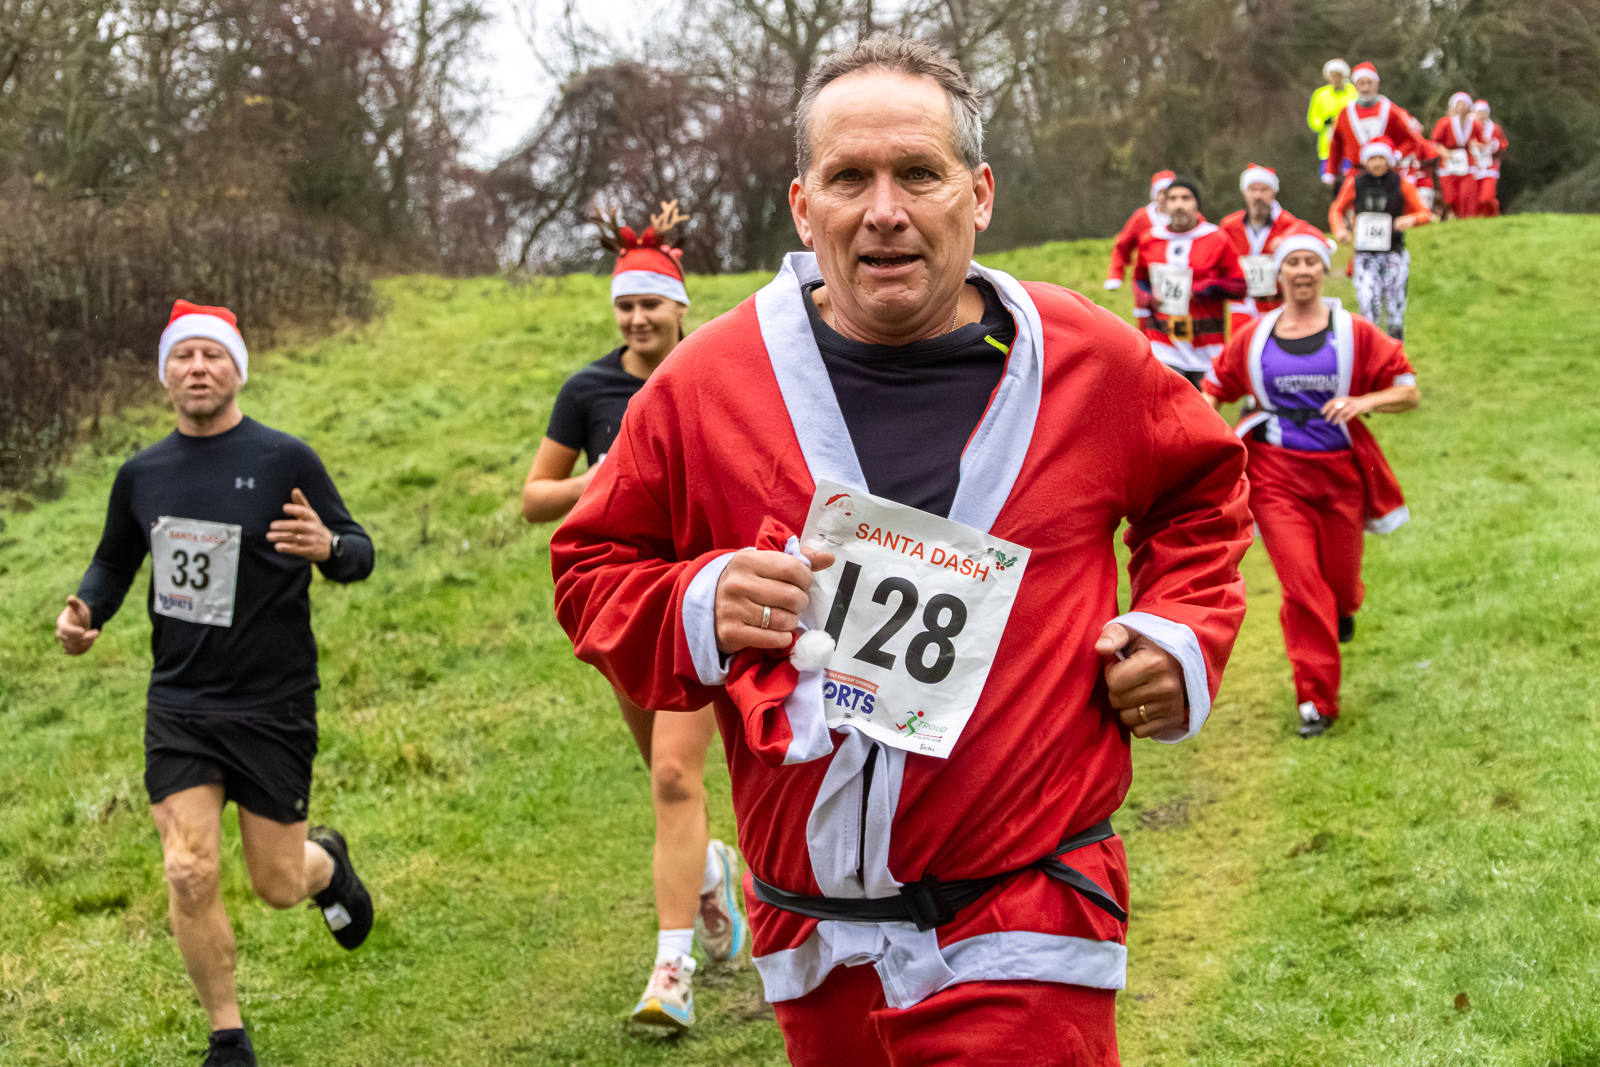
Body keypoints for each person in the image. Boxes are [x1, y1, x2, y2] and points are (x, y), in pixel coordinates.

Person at [551, 33, 1253, 1065]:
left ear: (979, 194)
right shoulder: (706, 384)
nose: (885, 209)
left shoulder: (1088, 362)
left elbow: (1203, 491)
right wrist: (701, 601)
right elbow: (590, 567)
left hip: (1027, 909)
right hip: (815, 938)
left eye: (919, 173)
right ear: (804, 207)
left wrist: (1177, 632)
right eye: (850, 178)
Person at [54, 300, 375, 1067]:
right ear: (164, 374)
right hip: (181, 703)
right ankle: (227, 1037)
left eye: (213, 355)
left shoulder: (284, 459)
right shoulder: (142, 474)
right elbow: (115, 559)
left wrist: (329, 547)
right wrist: (86, 608)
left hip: (273, 702)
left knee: (278, 883)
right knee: (188, 866)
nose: (198, 368)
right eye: (184, 356)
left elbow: (359, 550)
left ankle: (326, 864)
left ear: (238, 369)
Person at [520, 203, 749, 1033]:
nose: (637, 317)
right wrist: (604, 478)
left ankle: (671, 971)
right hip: (623, 606)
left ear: (680, 305)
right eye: (625, 305)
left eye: (651, 303)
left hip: (700, 602)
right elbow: (534, 497)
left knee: (674, 777)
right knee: (663, 772)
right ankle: (711, 868)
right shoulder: (588, 391)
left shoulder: (718, 372)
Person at [1203, 233, 1419, 737]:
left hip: (1341, 474)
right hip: (1276, 477)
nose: (1302, 271)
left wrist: (1364, 402)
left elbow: (1408, 390)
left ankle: (1343, 607)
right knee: (1303, 588)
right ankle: (1316, 701)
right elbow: (1215, 388)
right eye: (1292, 263)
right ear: (1279, 274)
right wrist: (1203, 432)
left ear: (1323, 270)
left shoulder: (1355, 332)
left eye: (1310, 262)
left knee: (1338, 584)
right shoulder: (1255, 336)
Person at [1134, 177, 1246, 385]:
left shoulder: (1216, 238)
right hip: (1163, 342)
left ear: (1197, 204)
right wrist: (1148, 297)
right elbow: (1140, 280)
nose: (1179, 205)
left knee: (1202, 404)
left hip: (1206, 344)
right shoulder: (1150, 239)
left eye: (1185, 198)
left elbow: (1240, 286)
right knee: (1168, 401)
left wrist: (1202, 289)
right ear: (1164, 204)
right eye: (1173, 199)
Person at [1331, 138, 1432, 339]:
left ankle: (1395, 348)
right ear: (1365, 161)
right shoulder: (1355, 183)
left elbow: (1424, 213)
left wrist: (1410, 219)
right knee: (1368, 303)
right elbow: (1336, 209)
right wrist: (1340, 230)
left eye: (1381, 158)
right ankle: (1370, 345)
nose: (1377, 163)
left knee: (1395, 308)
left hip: (1393, 253)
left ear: (1388, 160)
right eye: (1372, 159)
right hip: (1365, 255)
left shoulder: (1401, 183)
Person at [1219, 163, 1311, 332]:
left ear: (1273, 192)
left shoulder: (1288, 224)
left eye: (1264, 190)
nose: (1258, 195)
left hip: (1275, 302)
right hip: (1241, 303)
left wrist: (1286, 238)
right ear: (1244, 192)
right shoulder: (1230, 225)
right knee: (1240, 344)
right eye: (1252, 190)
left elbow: (1312, 234)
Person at [1323, 62, 1419, 191]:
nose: (1366, 88)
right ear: (1355, 86)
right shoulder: (1345, 114)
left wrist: (1397, 155)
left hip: (1388, 176)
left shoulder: (1392, 111)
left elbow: (1412, 140)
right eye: (1361, 83)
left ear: (1377, 84)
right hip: (1356, 176)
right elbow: (1336, 144)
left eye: (1369, 83)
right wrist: (1331, 171)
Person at [1104, 169, 1176, 297]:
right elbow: (1122, 246)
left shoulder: (1187, 216)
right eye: (1162, 192)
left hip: (1180, 276)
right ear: (1155, 195)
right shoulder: (1142, 217)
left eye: (1169, 192)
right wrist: (1115, 275)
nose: (1165, 197)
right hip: (1146, 278)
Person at [1430, 92, 1485, 220]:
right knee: (1450, 196)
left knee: (1467, 193)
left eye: (1463, 104)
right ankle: (1454, 215)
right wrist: (1445, 152)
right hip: (1449, 162)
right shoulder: (1445, 123)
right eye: (1458, 104)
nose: (1461, 107)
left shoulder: (1475, 124)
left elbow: (1483, 143)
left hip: (1468, 162)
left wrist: (1477, 146)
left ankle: (1468, 219)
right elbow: (1436, 143)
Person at [1307, 59, 1358, 189]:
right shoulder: (1320, 95)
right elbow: (1313, 120)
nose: (1335, 79)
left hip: (1350, 144)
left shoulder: (1353, 92)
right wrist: (1324, 122)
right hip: (1328, 146)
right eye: (1333, 75)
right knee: (1330, 181)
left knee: (1350, 180)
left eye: (1338, 75)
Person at [1398, 115, 1444, 217]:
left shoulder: (1423, 145)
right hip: (1401, 181)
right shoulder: (1396, 145)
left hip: (1420, 181)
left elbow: (1434, 158)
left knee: (1424, 200)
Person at [1472, 99, 1509, 217]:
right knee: (1474, 198)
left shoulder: (1494, 128)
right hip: (1473, 166)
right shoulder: (1470, 127)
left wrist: (1493, 146)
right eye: (1479, 112)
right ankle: (1482, 218)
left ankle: (1494, 213)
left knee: (1487, 196)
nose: (1481, 115)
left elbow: (1503, 144)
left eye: (1483, 112)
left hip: (1490, 165)